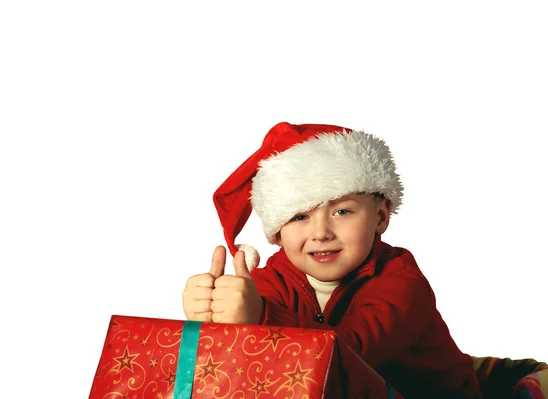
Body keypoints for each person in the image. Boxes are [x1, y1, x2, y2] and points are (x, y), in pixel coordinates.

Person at [182, 122, 481, 398]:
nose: (321, 232)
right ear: (276, 234)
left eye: (342, 212)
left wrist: (261, 316)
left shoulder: (402, 284)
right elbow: (243, 365)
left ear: (380, 217)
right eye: (300, 216)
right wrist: (212, 317)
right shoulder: (269, 283)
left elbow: (349, 352)